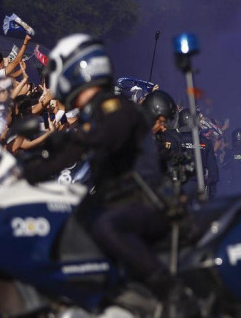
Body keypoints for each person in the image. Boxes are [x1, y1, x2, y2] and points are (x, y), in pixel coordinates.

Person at [21, 34, 187, 315]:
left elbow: (88, 143)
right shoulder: (94, 112)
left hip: (142, 200)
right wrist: (25, 169)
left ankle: (169, 289)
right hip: (118, 198)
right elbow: (73, 146)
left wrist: (36, 170)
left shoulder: (114, 108)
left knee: (106, 226)